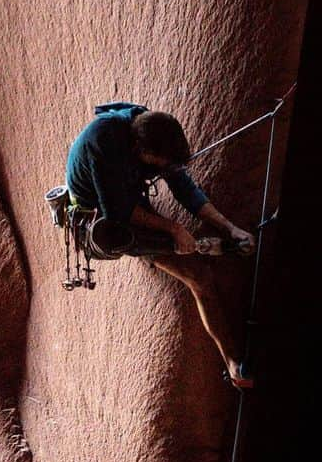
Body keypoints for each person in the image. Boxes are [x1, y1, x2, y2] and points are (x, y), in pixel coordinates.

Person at [65, 102, 257, 389]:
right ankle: (232, 364)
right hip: (104, 212)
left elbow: (183, 187)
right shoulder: (102, 144)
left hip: (124, 187)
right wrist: (174, 229)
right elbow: (119, 212)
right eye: (160, 164)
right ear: (142, 153)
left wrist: (229, 227)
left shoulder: (147, 126)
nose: (165, 168)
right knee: (198, 277)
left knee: (186, 247)